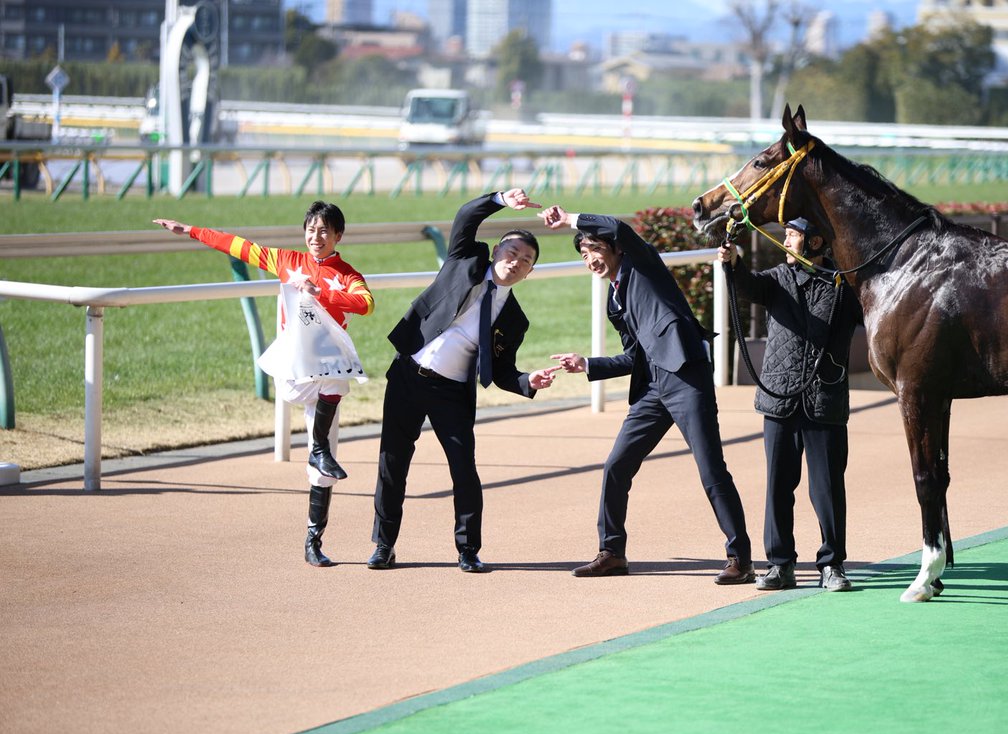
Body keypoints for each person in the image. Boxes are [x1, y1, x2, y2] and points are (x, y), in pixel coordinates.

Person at [540, 204, 755, 585]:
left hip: (686, 376)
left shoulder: (642, 263)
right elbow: (632, 356)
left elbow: (615, 224)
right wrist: (588, 364)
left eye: (595, 249)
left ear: (616, 248)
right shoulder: (614, 299)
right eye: (584, 253)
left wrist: (570, 219)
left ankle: (740, 557)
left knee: (710, 469)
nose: (590, 258)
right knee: (616, 466)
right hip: (652, 387)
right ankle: (612, 552)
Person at [153, 202, 374, 568]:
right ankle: (319, 447)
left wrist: (321, 292)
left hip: (325, 383)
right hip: (294, 373)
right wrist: (189, 229)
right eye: (310, 230)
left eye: (323, 232)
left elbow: (365, 304)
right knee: (340, 378)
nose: (315, 238)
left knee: (324, 470)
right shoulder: (286, 260)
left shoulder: (348, 273)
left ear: (338, 236)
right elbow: (236, 245)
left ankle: (313, 540)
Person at [367, 188, 559, 573]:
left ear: (530, 272)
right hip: (408, 376)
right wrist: (502, 198)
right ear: (496, 251)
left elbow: (503, 372)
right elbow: (466, 217)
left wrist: (528, 381)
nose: (516, 262)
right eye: (512, 252)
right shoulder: (464, 260)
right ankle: (383, 546)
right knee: (392, 463)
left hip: (451, 392)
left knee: (464, 470)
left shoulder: (514, 320)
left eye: (525, 260)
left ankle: (468, 550)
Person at [717, 216, 862, 592]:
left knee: (827, 488)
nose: (785, 241)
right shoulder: (777, 278)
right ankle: (780, 565)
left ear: (814, 243)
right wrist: (733, 262)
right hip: (779, 400)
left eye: (793, 236)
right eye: (786, 235)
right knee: (778, 485)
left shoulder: (845, 284)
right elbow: (748, 285)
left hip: (824, 400)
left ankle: (832, 565)